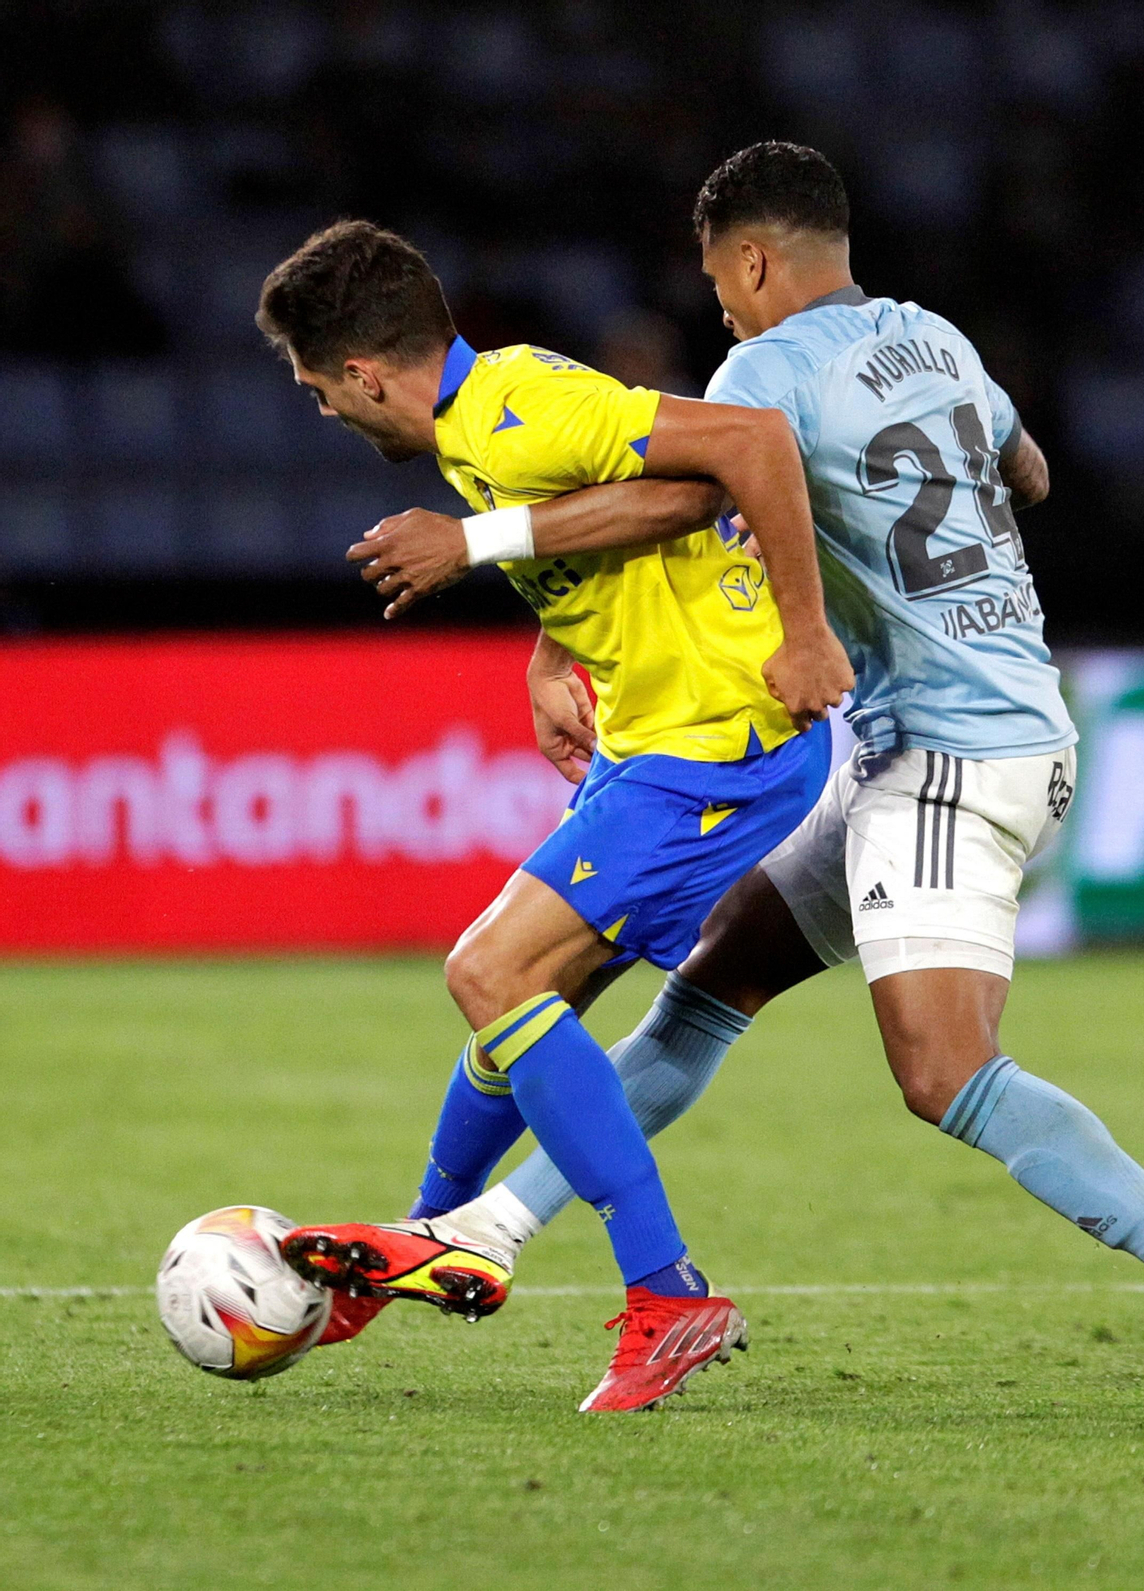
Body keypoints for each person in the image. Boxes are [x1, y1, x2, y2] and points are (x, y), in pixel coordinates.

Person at [350, 145, 1144, 1413]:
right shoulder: (936, 337)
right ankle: (492, 1228)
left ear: (751, 259)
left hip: (951, 750)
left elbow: (683, 501)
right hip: (973, 722)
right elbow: (1027, 474)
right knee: (707, 989)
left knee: (945, 1073)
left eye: (718, 285)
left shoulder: (763, 371)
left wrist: (802, 611)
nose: (722, 310)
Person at [254, 219, 853, 1412]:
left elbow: (745, 449)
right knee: (525, 1006)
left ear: (365, 374)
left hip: (719, 742)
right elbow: (621, 516)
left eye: (323, 392)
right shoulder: (488, 429)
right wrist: (549, 643)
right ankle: (423, 1236)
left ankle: (669, 1295)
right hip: (659, 742)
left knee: (488, 970)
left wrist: (806, 630)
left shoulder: (519, 404)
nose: (327, 413)